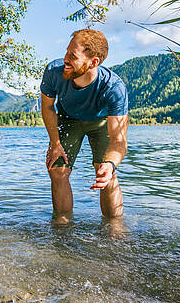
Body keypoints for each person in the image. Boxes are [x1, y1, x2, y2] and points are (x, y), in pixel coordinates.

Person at [40, 29, 129, 224]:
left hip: (100, 122)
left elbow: (119, 142)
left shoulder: (114, 88)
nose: (65, 59)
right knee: (57, 169)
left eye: (72, 56)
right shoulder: (53, 72)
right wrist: (55, 143)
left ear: (93, 62)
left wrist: (110, 164)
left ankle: (114, 228)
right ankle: (62, 226)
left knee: (106, 173)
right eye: (66, 52)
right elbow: (47, 107)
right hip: (68, 120)